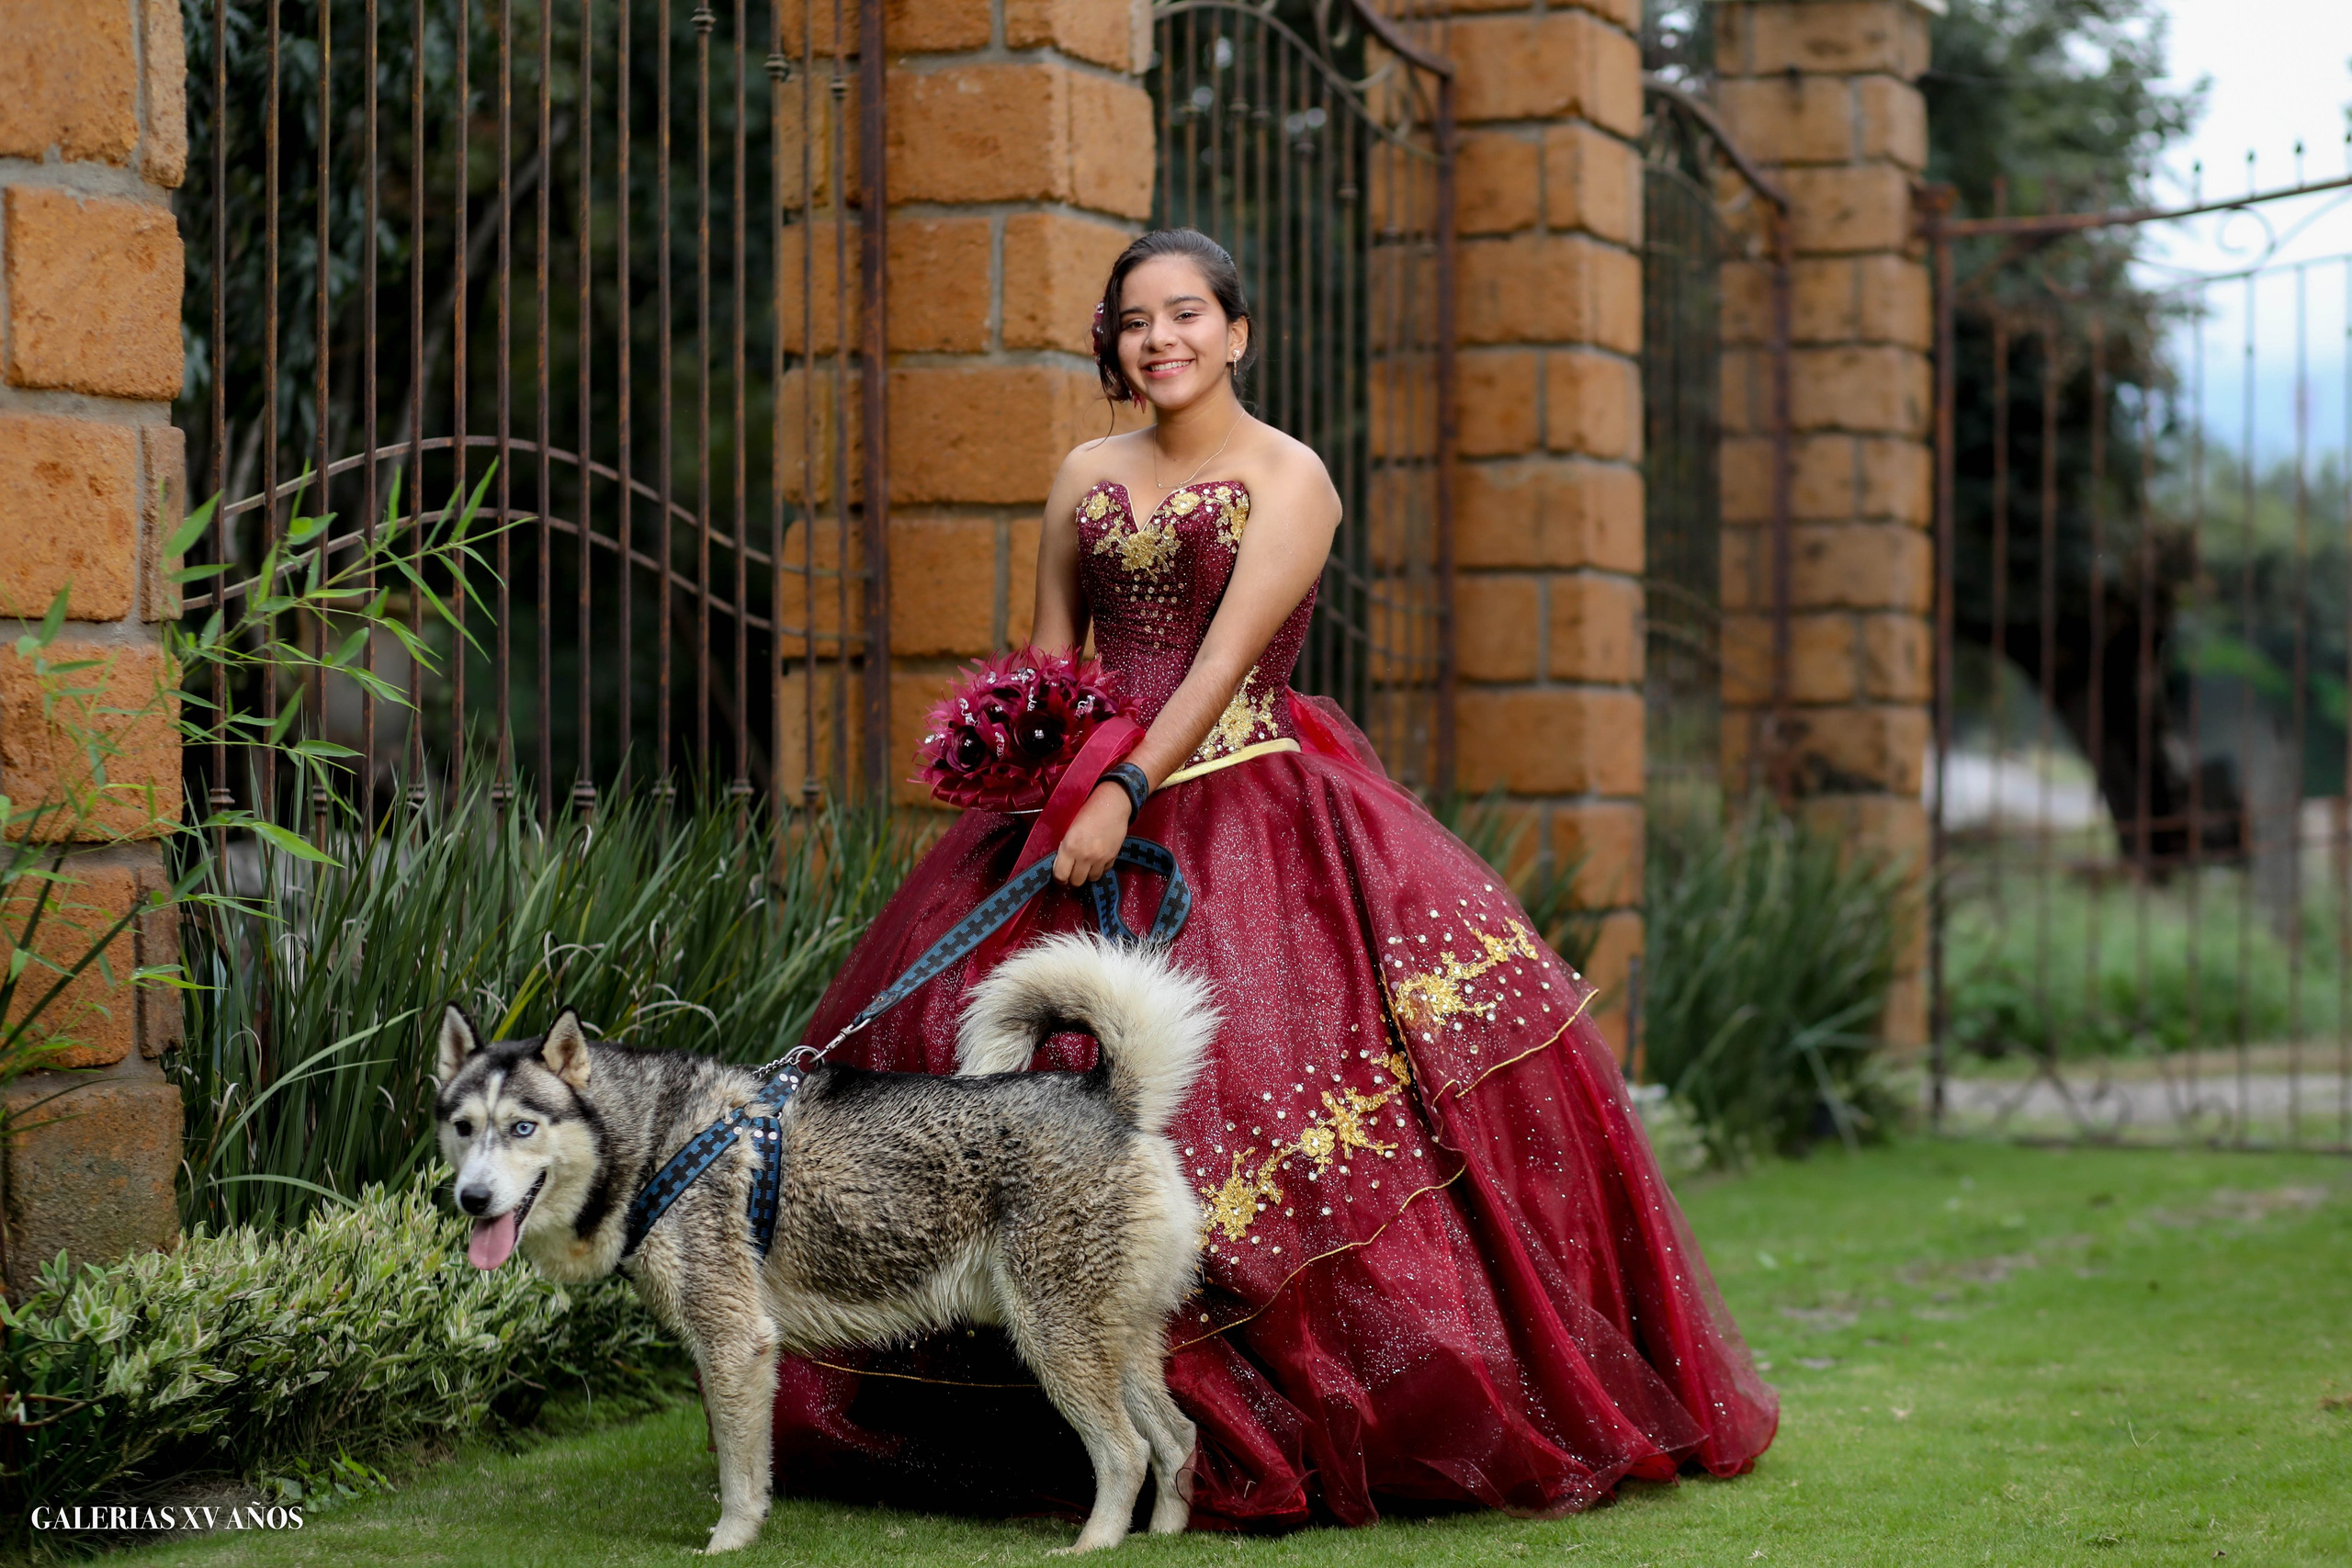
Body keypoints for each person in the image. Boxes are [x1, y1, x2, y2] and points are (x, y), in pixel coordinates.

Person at [770, 228, 1777, 1528]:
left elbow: (1222, 670)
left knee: (1241, 1095)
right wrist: (1030, 758)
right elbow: (1050, 658)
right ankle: (1046, 1418)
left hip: (1242, 802)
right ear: (1114, 341)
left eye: (1186, 314)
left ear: (1237, 333)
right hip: (1078, 811)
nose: (1160, 340)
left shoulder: (1290, 478)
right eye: (1135, 320)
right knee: (1003, 1090)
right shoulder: (1084, 473)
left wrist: (1127, 787)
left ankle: (1255, 1412)